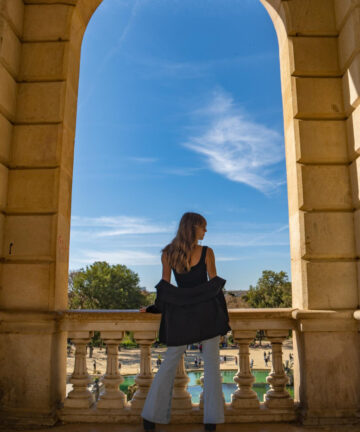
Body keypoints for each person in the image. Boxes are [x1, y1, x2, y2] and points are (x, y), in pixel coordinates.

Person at [139, 212, 231, 431]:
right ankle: (211, 422)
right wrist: (223, 320)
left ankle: (150, 418)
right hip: (207, 314)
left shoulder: (168, 253)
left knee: (169, 365)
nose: (205, 231)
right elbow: (215, 287)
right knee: (211, 367)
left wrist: (154, 308)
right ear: (193, 228)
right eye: (203, 227)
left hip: (180, 314)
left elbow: (165, 288)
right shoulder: (207, 252)